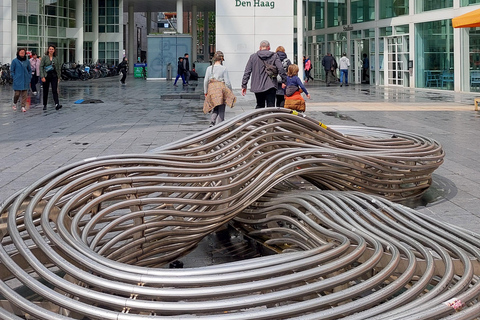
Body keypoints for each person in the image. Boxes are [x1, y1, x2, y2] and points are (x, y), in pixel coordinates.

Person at [241, 40, 287, 108]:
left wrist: (244, 85)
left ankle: (260, 118)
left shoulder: (253, 57)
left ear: (260, 48)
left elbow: (247, 71)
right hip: (271, 85)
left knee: (259, 105)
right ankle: (270, 118)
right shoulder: (274, 56)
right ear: (269, 47)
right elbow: (281, 69)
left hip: (257, 85)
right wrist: (284, 81)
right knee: (271, 106)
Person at [203, 51, 236, 127]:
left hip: (211, 88)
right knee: (221, 107)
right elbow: (227, 82)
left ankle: (212, 121)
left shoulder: (209, 68)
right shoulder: (223, 69)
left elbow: (205, 81)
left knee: (214, 106)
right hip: (221, 89)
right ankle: (220, 124)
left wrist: (205, 91)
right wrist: (230, 91)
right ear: (221, 59)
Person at [40, 45, 62, 111]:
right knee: (45, 90)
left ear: (54, 50)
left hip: (54, 75)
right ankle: (44, 104)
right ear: (48, 50)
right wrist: (42, 76)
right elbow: (41, 67)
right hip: (46, 75)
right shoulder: (44, 58)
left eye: (52, 49)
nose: (51, 50)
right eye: (50, 49)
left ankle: (57, 104)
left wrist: (59, 76)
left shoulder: (56, 58)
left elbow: (58, 67)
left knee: (54, 90)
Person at [11, 47, 32, 112]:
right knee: (17, 94)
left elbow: (29, 70)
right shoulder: (15, 61)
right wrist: (14, 77)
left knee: (24, 94)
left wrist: (29, 76)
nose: (22, 53)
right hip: (18, 79)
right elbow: (12, 70)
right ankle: (14, 103)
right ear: (18, 53)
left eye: (23, 52)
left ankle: (23, 106)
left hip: (25, 79)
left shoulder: (27, 61)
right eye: (21, 52)